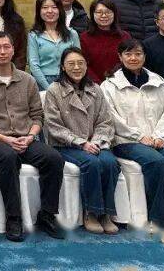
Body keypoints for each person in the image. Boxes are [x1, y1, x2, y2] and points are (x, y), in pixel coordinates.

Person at [0, 31, 64, 242]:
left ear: (13, 50)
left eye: (6, 47)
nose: (2, 51)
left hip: (26, 137)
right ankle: (14, 218)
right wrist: (6, 140)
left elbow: (37, 116)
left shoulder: (27, 80)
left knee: (54, 158)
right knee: (8, 157)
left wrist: (30, 137)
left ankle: (47, 214)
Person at [102, 39, 164, 235]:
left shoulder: (158, 83)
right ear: (120, 57)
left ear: (144, 56)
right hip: (126, 141)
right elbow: (112, 118)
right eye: (128, 54)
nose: (133, 58)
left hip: (159, 138)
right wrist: (139, 136)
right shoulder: (109, 86)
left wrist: (161, 136)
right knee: (156, 162)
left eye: (138, 54)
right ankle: (159, 219)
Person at [43, 47, 119, 235]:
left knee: (110, 162)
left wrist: (97, 141)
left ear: (86, 65)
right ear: (63, 67)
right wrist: (81, 143)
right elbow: (53, 126)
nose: (76, 67)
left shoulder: (95, 89)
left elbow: (105, 121)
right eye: (71, 64)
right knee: (91, 163)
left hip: (95, 143)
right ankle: (92, 212)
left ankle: (106, 214)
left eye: (80, 63)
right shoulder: (54, 90)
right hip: (65, 144)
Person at [27, 0, 80, 90]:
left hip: (69, 81)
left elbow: (78, 61)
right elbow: (33, 65)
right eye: (45, 7)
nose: (50, 11)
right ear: (39, 11)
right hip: (42, 83)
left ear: (60, 10)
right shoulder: (34, 35)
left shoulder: (72, 34)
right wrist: (49, 88)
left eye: (54, 7)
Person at [80, 0, 131, 83]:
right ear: (92, 15)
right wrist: (98, 84)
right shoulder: (85, 38)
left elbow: (129, 61)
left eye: (108, 12)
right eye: (99, 12)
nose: (104, 16)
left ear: (114, 14)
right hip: (94, 85)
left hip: (121, 83)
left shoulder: (124, 36)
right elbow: (83, 64)